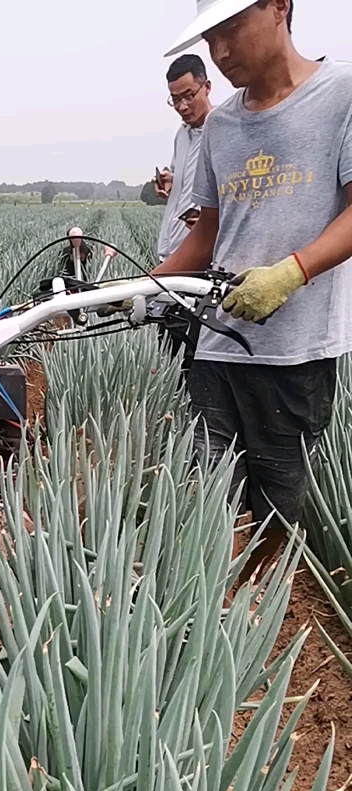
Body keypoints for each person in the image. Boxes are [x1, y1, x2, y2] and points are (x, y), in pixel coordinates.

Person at [157, 0, 352, 577]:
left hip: (294, 349)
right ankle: (210, 597)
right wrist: (143, 284)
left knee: (277, 502)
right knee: (207, 484)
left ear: (279, 8)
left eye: (230, 31)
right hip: (218, 340)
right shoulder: (220, 125)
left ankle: (262, 610)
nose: (219, 52)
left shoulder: (340, 95)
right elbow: (209, 233)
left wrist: (292, 271)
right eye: (210, 37)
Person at [154, 54, 213, 369]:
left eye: (189, 96)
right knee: (168, 358)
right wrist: (170, 183)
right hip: (171, 259)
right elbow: (183, 177)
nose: (182, 106)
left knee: (191, 359)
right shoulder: (182, 135)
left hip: (197, 266)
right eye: (175, 99)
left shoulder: (222, 131)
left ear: (207, 87)